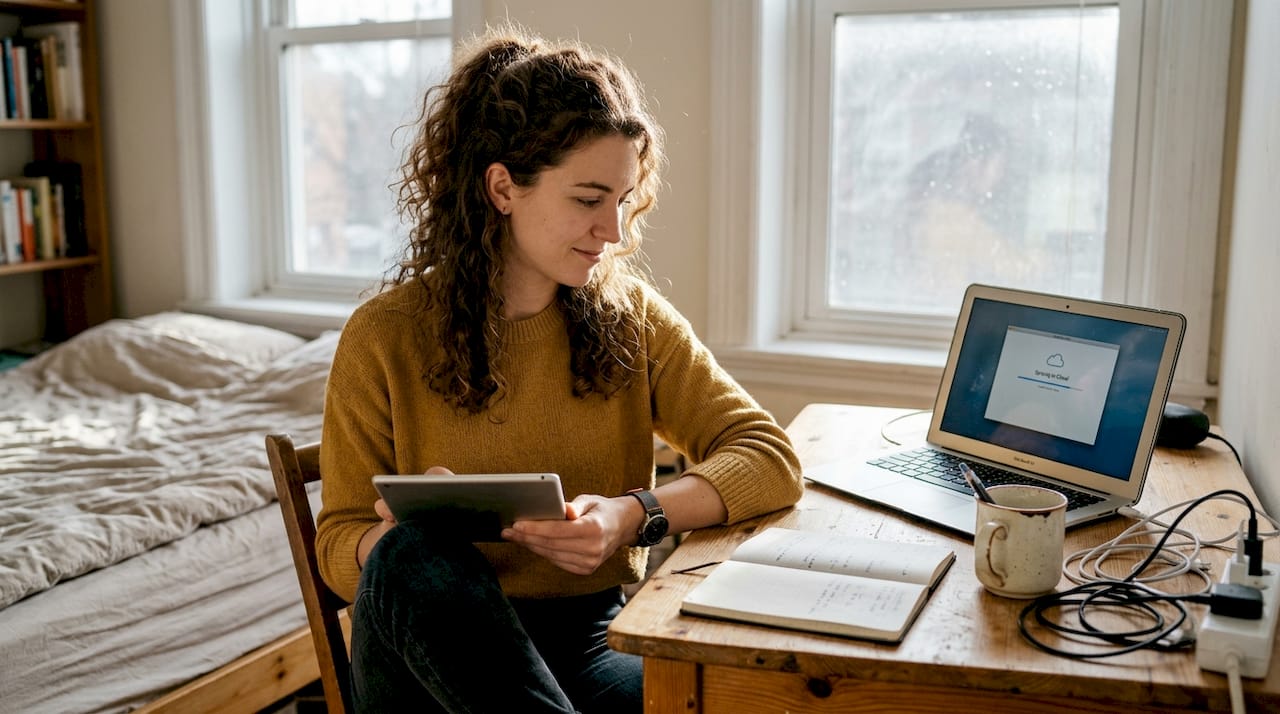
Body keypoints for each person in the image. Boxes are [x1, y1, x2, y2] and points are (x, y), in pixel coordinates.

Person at [314, 25, 805, 713]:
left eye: (624, 199)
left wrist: (632, 516)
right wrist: (402, 535)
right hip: (429, 652)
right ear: (503, 188)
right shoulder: (385, 336)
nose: (614, 229)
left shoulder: (631, 316)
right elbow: (337, 544)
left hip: (588, 646)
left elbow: (770, 457)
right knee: (409, 555)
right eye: (588, 198)